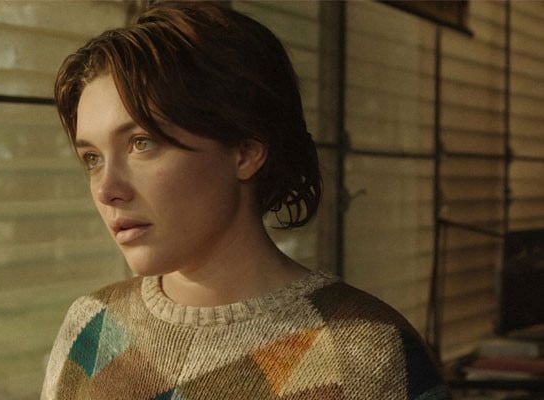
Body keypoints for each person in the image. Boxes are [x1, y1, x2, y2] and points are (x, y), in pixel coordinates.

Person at [42, 2, 451, 399]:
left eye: (141, 143)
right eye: (92, 158)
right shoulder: (92, 330)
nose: (105, 189)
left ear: (245, 152)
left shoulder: (370, 357)